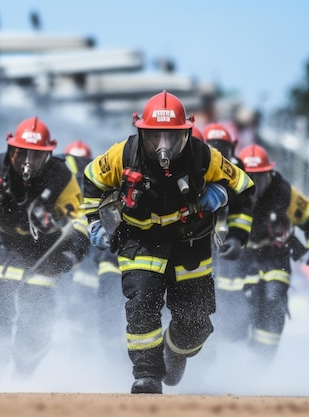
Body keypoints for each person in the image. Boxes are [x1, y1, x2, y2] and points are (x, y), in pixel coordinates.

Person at [83, 90, 255, 394]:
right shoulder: (122, 154)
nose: (163, 145)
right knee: (142, 304)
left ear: (186, 133)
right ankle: (146, 375)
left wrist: (225, 203)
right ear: (141, 131)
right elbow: (92, 180)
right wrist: (95, 223)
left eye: (172, 136)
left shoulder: (203, 156)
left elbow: (244, 185)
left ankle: (175, 351)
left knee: (195, 322)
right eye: (154, 136)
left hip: (191, 243)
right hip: (140, 241)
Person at [0, 116, 89, 379]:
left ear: (48, 155)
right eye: (22, 154)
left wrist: (71, 254)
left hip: (44, 253)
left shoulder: (61, 178)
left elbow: (80, 220)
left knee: (37, 323)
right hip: (1, 245)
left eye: (36, 156)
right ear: (12, 149)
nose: (27, 162)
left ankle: (22, 375)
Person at [215, 144, 309, 362]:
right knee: (231, 313)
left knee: (274, 299)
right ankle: (230, 363)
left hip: (273, 257)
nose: (256, 185)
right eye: (251, 177)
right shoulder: (228, 188)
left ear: (270, 173)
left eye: (261, 178)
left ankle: (261, 362)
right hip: (236, 258)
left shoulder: (283, 193)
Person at [60, 140, 124, 346]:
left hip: (88, 254)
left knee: (79, 301)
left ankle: (80, 337)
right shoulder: (96, 180)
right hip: (94, 254)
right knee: (93, 303)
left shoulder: (69, 183)